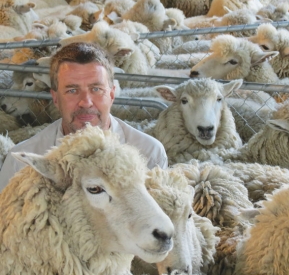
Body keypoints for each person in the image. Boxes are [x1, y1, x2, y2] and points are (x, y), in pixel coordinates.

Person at [0, 42, 168, 192]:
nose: (86, 102)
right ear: (55, 97)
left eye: (96, 89)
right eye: (72, 90)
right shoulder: (22, 161)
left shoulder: (149, 153)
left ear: (111, 94)